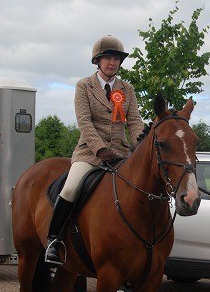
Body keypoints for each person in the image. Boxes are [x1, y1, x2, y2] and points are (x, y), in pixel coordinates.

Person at [45, 35, 146, 265]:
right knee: (70, 189)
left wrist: (141, 143)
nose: (113, 62)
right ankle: (54, 241)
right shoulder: (84, 86)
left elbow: (134, 121)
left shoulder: (126, 89)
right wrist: (100, 149)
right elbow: (84, 122)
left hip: (121, 154)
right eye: (108, 58)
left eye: (117, 58)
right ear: (97, 61)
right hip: (90, 153)